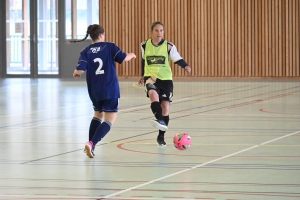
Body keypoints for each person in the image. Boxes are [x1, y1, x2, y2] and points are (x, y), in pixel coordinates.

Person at [72, 24, 136, 158]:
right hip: (110, 88)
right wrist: (132, 55)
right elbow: (123, 58)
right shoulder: (109, 46)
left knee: (97, 115)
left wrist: (76, 73)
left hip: (94, 90)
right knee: (110, 118)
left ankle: (90, 147)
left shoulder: (86, 51)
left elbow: (80, 70)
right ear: (101, 35)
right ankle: (91, 143)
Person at [138, 21, 191, 146]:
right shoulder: (144, 45)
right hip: (151, 77)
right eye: (156, 30)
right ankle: (160, 120)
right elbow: (144, 60)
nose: (159, 33)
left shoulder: (169, 46)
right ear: (152, 32)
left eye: (161, 30)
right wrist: (142, 74)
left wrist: (186, 66)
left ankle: (160, 137)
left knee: (165, 107)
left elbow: (177, 58)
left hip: (165, 79)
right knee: (153, 95)